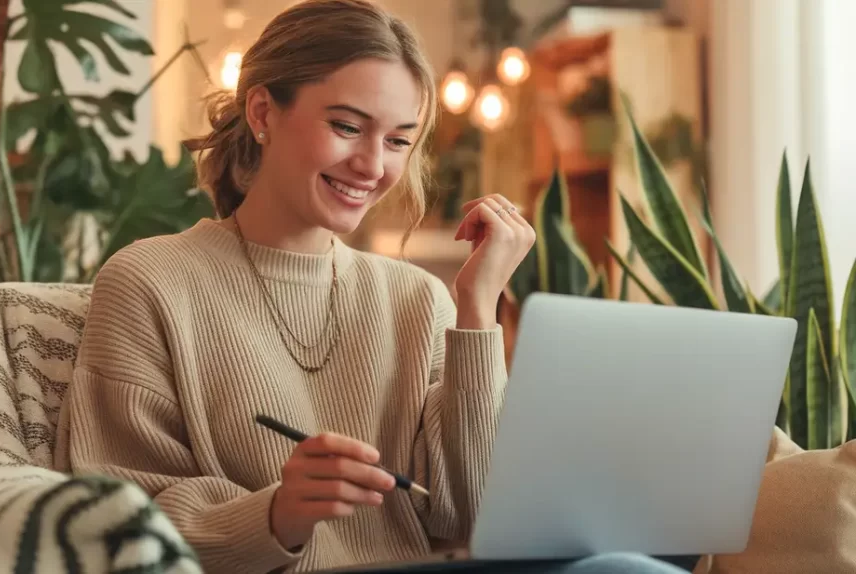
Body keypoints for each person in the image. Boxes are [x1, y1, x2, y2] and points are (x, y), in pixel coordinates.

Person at [57, 1, 690, 573]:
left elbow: (471, 516)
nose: (372, 165)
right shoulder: (150, 281)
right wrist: (279, 514)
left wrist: (477, 310)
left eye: (397, 141)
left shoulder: (417, 299)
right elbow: (117, 523)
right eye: (346, 126)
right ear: (261, 113)